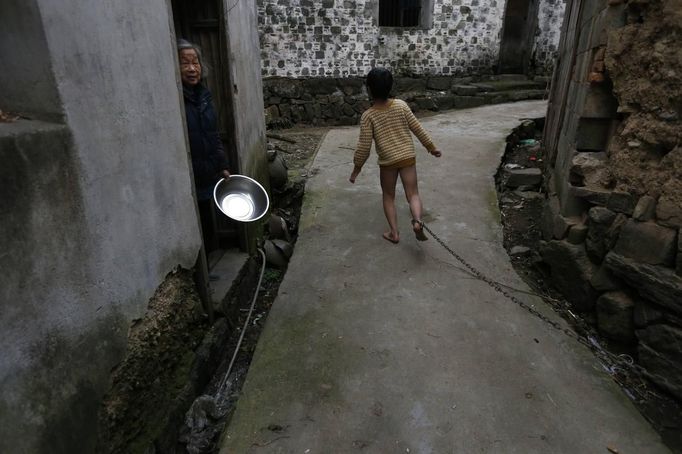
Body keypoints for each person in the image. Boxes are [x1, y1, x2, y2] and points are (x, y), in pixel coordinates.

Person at [349, 67, 442, 244]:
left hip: (388, 162)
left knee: (388, 196)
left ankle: (394, 233)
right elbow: (418, 128)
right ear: (390, 86)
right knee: (413, 194)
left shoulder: (368, 116)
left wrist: (356, 170)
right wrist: (431, 147)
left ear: (369, 89)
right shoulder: (401, 105)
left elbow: (364, 148)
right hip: (407, 157)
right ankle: (417, 221)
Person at [178, 39, 230, 253]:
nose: (192, 68)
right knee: (192, 224)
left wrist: (222, 164)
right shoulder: (177, 98)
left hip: (207, 172)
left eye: (195, 62)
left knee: (207, 222)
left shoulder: (204, 97)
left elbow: (213, 134)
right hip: (187, 176)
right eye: (185, 63)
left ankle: (210, 265)